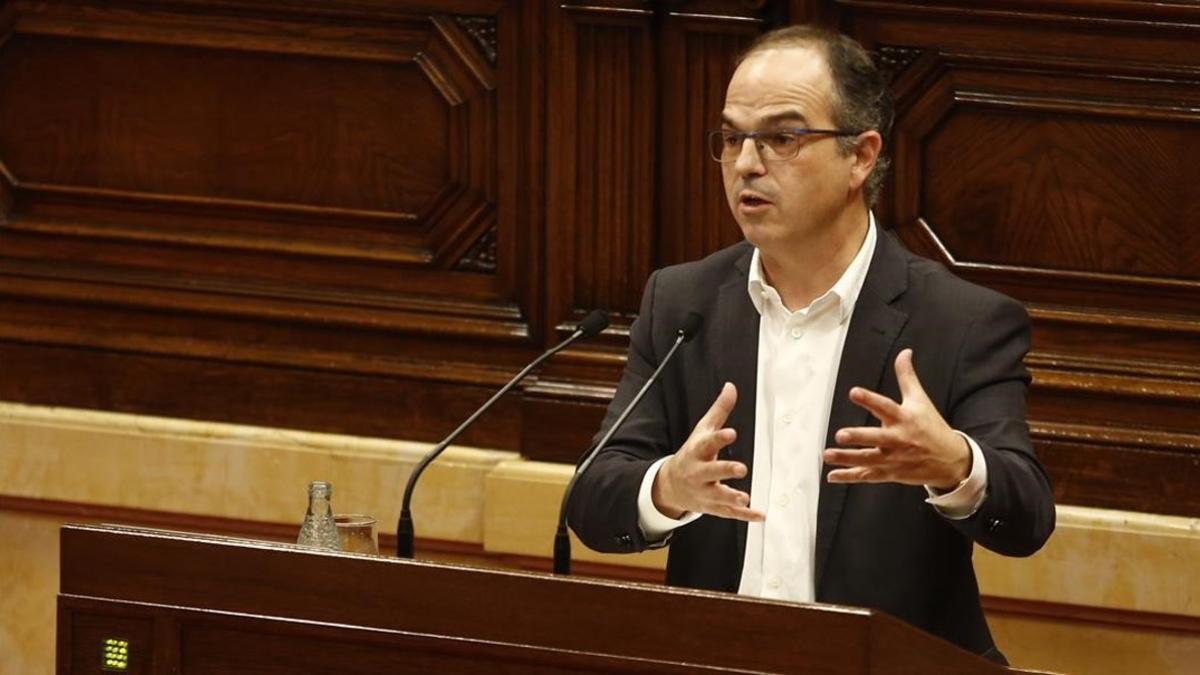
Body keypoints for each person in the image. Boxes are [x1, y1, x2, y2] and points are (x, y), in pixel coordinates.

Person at [566, 24, 1055, 664]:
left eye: (781, 138)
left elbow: (1026, 521)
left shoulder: (961, 322)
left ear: (860, 156)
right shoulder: (683, 304)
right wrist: (667, 489)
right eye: (732, 137)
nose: (746, 162)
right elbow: (593, 499)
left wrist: (957, 467)